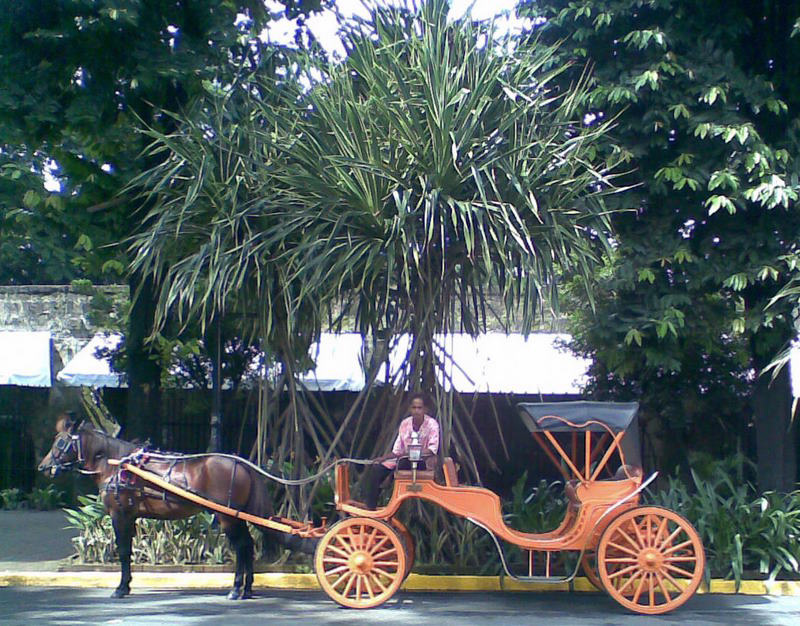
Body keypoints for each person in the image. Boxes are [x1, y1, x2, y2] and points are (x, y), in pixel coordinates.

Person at [363, 392, 440, 510]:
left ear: (425, 409)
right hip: (401, 460)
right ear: (410, 409)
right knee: (377, 468)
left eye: (419, 408)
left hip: (422, 462)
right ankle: (371, 507)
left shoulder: (432, 425)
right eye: (414, 408)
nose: (416, 411)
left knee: (403, 463)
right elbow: (397, 450)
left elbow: (432, 450)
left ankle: (390, 479)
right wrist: (382, 458)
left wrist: (412, 453)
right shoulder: (405, 424)